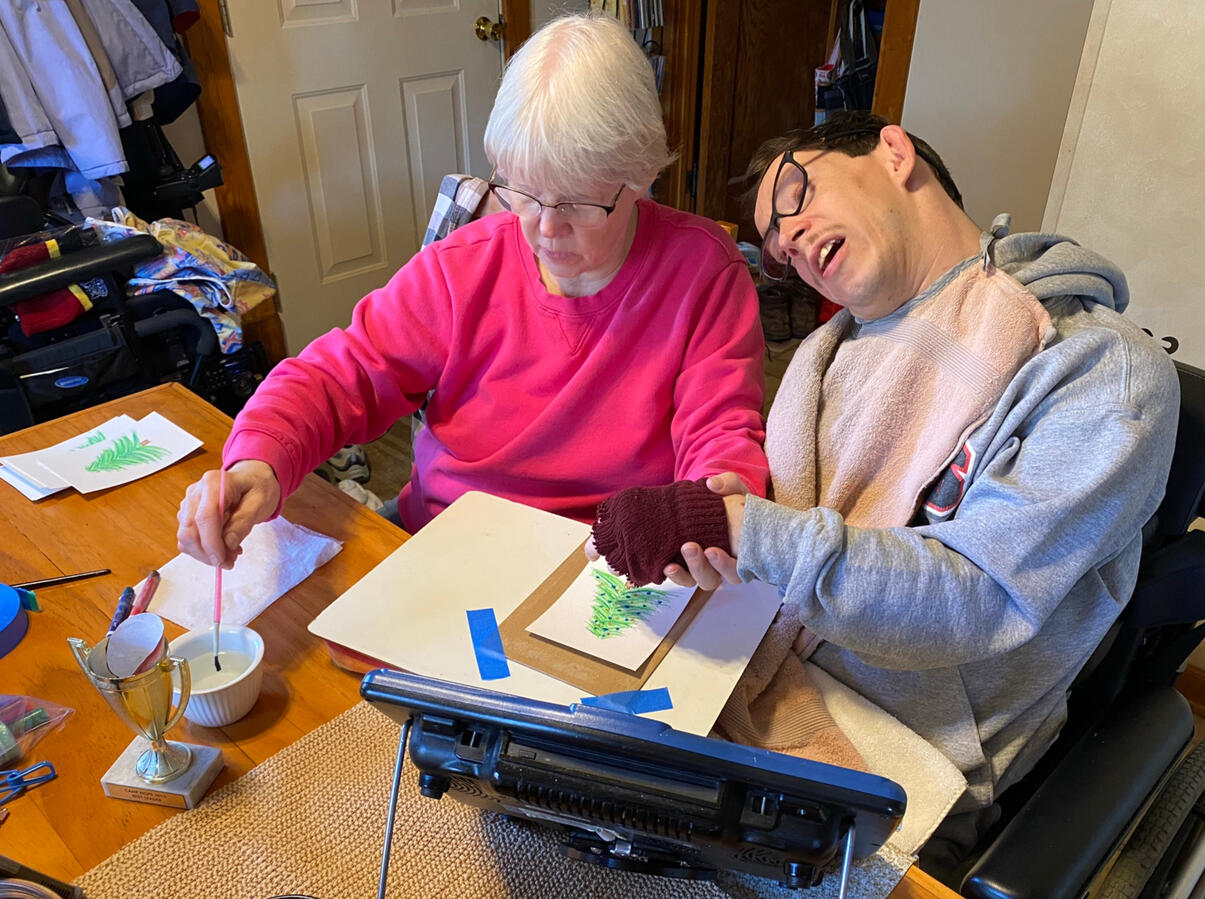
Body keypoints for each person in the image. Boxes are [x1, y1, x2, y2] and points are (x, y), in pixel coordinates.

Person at [589, 111, 1180, 869]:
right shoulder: (822, 360)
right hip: (750, 676)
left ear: (894, 152)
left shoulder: (1096, 372)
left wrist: (751, 530)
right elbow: (801, 547)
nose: (788, 241)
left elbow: (981, 595)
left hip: (901, 745)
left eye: (795, 195)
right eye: (773, 246)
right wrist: (736, 534)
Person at [176, 13, 769, 569]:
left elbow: (719, 431)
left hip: (609, 563)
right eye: (524, 193)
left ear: (641, 178)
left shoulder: (702, 271)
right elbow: (339, 375)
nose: (544, 227)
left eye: (579, 203)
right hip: (453, 548)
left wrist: (718, 502)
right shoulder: (460, 267)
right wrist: (259, 458)